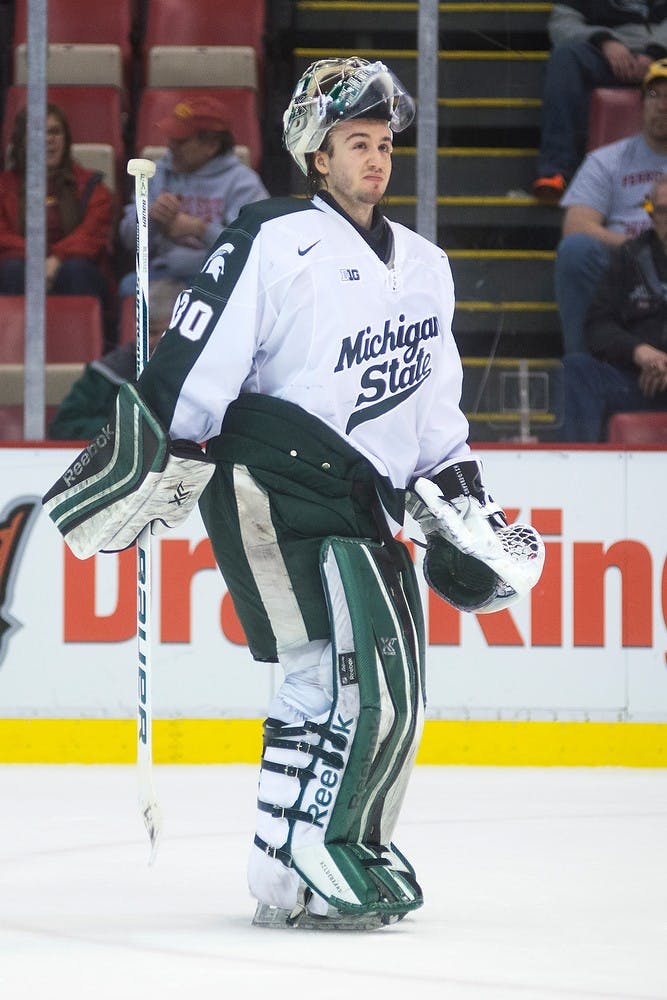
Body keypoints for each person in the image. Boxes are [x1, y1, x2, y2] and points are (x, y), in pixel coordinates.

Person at [43, 58, 543, 929]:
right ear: (317, 154)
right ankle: (313, 846)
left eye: (384, 144)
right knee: (340, 674)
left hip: (364, 495)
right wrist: (148, 454)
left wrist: (462, 493)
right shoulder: (272, 237)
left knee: (332, 678)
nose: (376, 160)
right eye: (357, 143)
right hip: (267, 480)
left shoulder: (425, 265)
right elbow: (199, 358)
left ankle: (285, 864)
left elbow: (433, 407)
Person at [554, 59, 667, 356]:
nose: (663, 105)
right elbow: (576, 225)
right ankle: (582, 366)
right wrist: (638, 250)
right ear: (641, 104)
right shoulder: (608, 160)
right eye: (655, 96)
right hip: (624, 265)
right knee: (576, 250)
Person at [117, 95, 269, 296]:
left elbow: (252, 248)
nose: (171, 146)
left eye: (181, 141)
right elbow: (127, 239)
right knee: (130, 287)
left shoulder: (243, 183)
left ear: (211, 146)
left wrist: (200, 230)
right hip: (164, 275)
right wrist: (149, 217)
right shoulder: (158, 173)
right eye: (171, 138)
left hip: (218, 278)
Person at [562, 175, 667, 441]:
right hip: (638, 381)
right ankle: (577, 471)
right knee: (578, 369)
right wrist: (639, 352)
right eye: (663, 210)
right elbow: (598, 325)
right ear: (652, 215)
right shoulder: (631, 257)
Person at [533, 1, 667, 203]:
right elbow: (562, 23)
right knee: (565, 58)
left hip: (662, 55)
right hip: (606, 55)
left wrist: (654, 53)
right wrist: (604, 41)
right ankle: (557, 172)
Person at [0, 103, 114, 316]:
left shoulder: (91, 186)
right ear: (21, 142)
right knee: (13, 271)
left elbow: (92, 235)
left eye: (55, 132)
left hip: (75, 269)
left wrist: (57, 259)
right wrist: (35, 258)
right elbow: (3, 237)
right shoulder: (4, 186)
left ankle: (83, 345)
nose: (49, 139)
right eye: (38, 132)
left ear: (66, 139)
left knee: (76, 270)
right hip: (21, 264)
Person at [47, 279, 182, 441]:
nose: (156, 341)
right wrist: (125, 429)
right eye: (149, 332)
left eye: (166, 332)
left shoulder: (201, 374)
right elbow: (63, 427)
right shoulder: (105, 374)